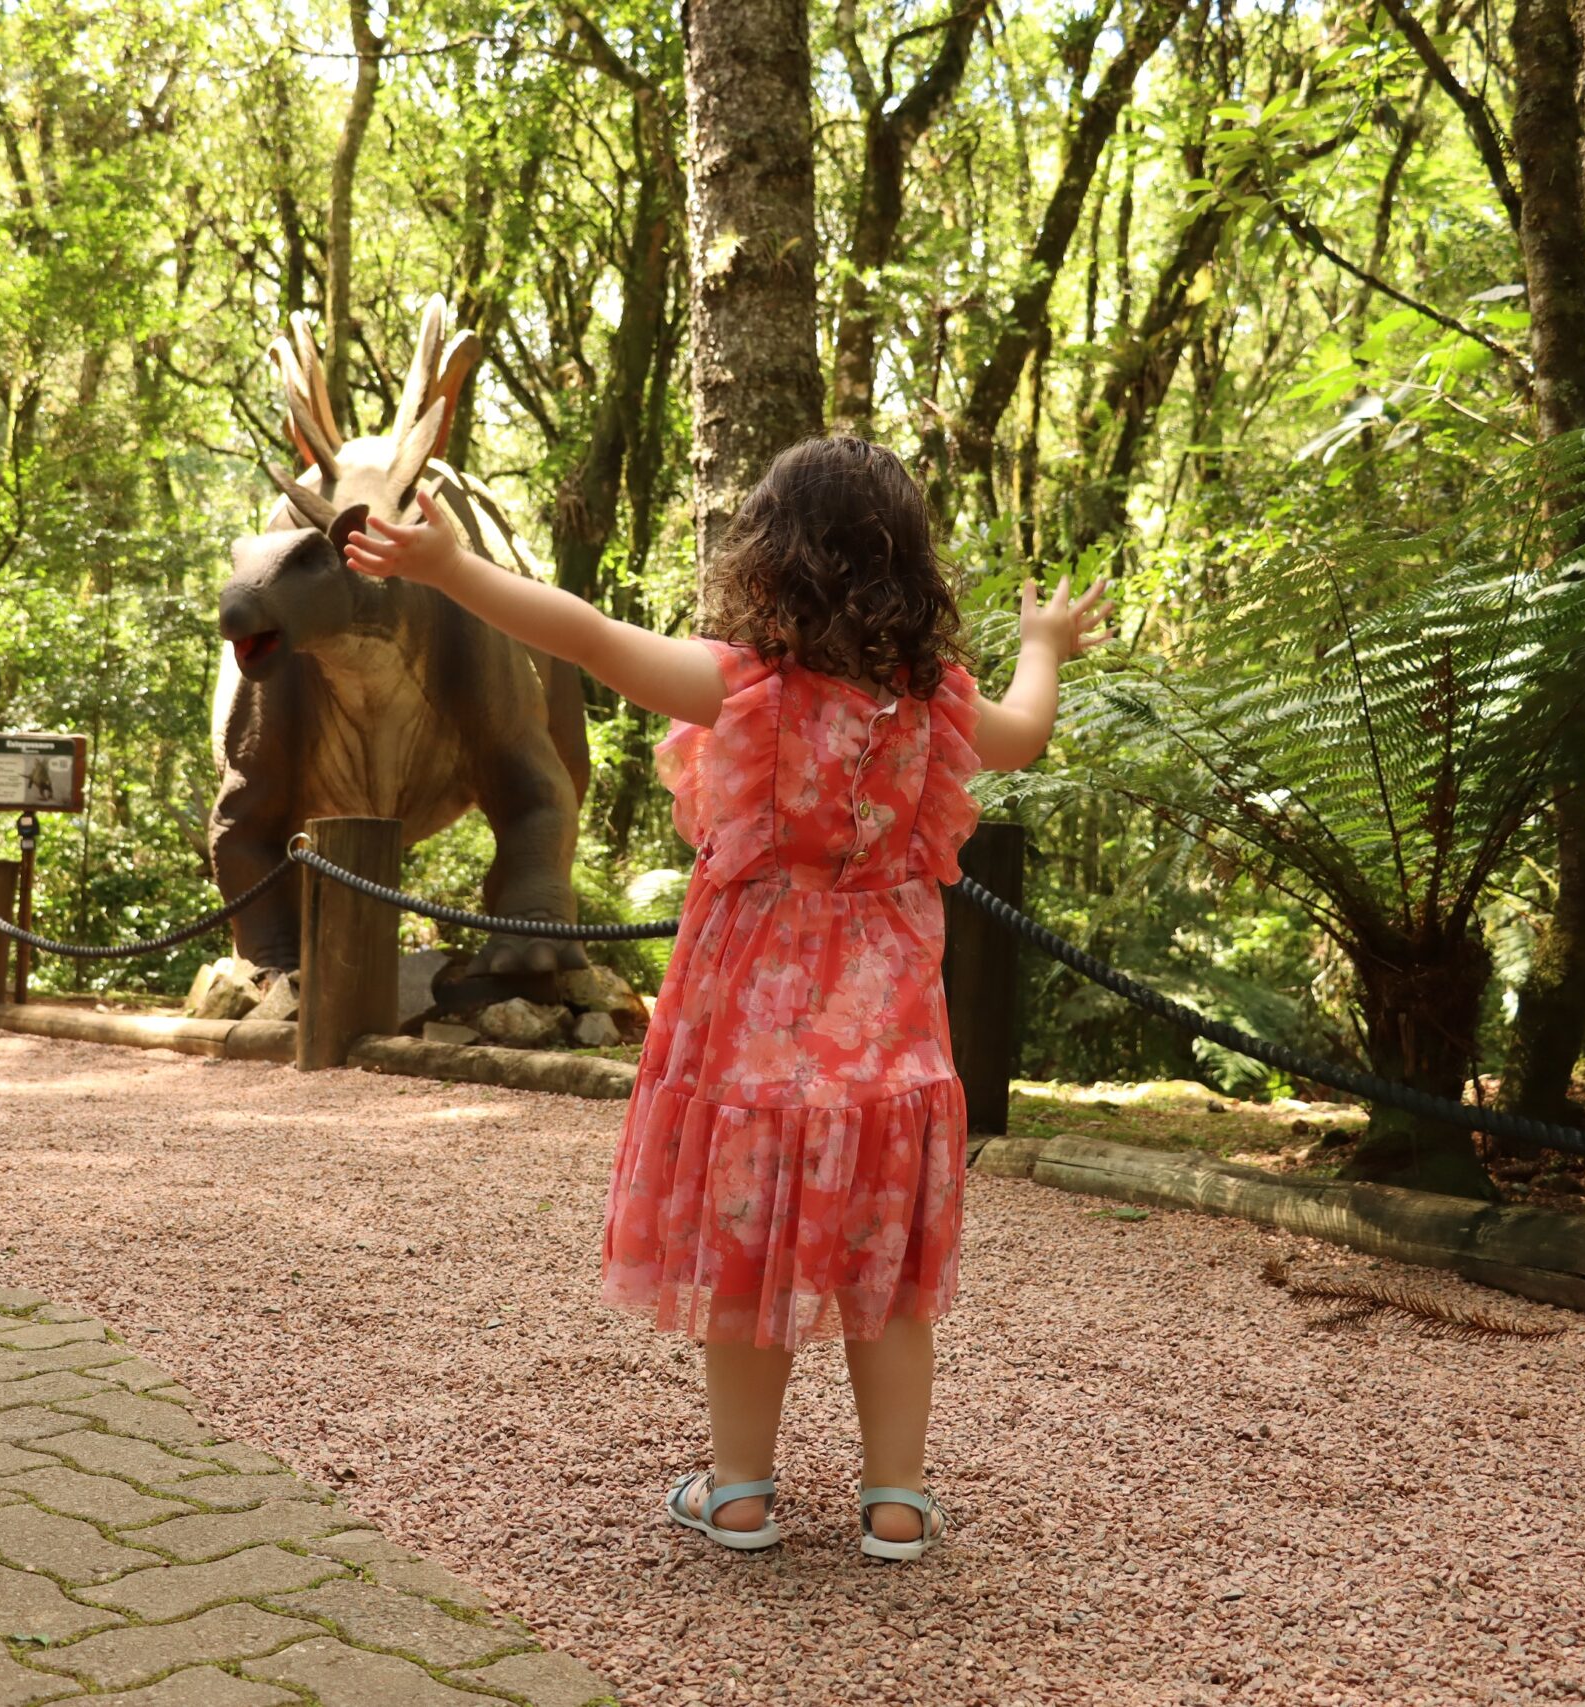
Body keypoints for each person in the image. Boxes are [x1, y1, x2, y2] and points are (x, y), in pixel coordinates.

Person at [343, 436, 1110, 1562]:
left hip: (750, 1043)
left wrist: (451, 569)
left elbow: (585, 636)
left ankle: (741, 1493)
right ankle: (896, 1501)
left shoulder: (746, 687)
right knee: (885, 1269)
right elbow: (1029, 736)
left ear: (772, 555)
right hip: (890, 1051)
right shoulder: (933, 704)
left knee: (751, 1253)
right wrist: (1042, 643)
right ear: (906, 562)